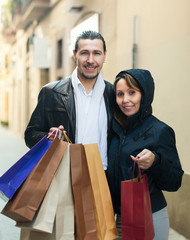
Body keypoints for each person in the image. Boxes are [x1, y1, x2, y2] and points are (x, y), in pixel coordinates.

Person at [106, 69, 184, 240]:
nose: (125, 100)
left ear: (145, 94)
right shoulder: (115, 129)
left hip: (149, 216)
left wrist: (155, 162)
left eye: (132, 92)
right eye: (120, 94)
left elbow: (175, 181)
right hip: (119, 218)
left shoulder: (160, 131)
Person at [24, 30, 115, 170]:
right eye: (84, 53)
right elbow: (30, 135)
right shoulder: (51, 92)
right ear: (75, 55)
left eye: (97, 53)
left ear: (104, 55)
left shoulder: (113, 94)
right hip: (64, 176)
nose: (90, 60)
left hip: (104, 177)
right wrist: (48, 138)